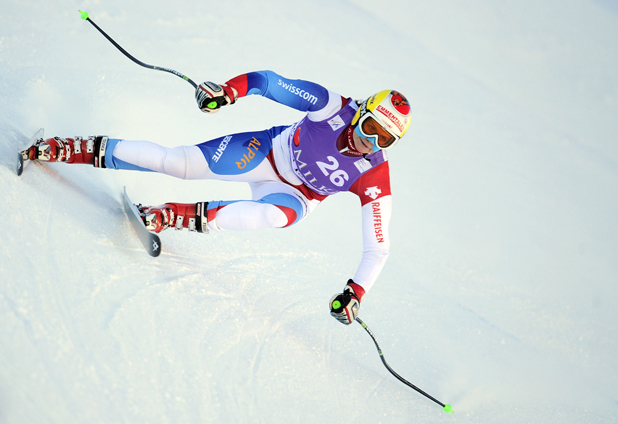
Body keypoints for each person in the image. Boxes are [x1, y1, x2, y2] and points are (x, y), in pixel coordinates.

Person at [22, 70, 412, 325]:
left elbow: (378, 247)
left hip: (296, 194)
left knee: (276, 216)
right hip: (265, 151)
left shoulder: (374, 173)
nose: (371, 140)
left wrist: (355, 292)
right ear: (361, 111)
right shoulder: (331, 107)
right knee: (179, 163)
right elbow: (266, 81)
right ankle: (66, 148)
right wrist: (228, 92)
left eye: (385, 139)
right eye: (371, 126)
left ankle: (168, 215)